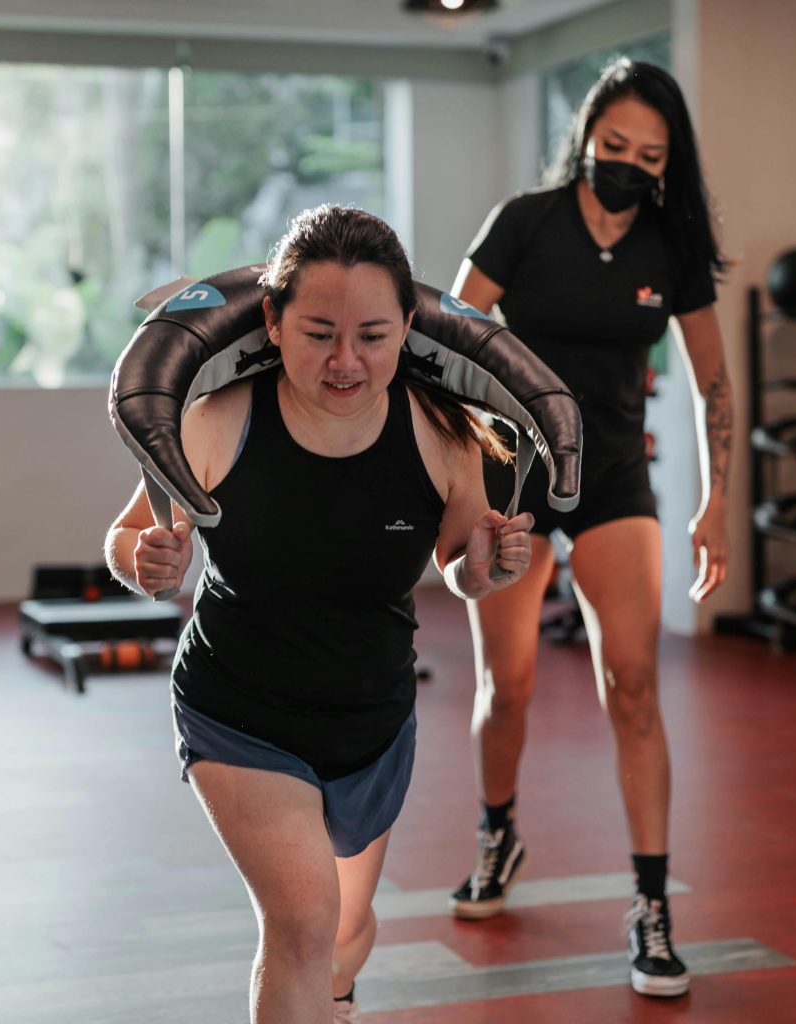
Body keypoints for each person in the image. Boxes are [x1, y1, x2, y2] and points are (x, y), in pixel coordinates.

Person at [105, 205, 534, 1024]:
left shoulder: (441, 435)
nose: (346, 360)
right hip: (240, 713)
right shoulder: (217, 420)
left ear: (408, 325)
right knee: (302, 924)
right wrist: (145, 561)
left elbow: (459, 565)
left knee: (343, 934)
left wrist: (484, 567)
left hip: (372, 724)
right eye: (318, 333)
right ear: (272, 319)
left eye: (373, 335)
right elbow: (130, 536)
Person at [447, 58, 732, 999]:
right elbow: (446, 343)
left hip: (612, 477)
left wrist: (716, 499)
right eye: (614, 145)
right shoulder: (523, 222)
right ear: (586, 138)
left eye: (649, 154)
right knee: (511, 684)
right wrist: (462, 479)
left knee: (636, 684)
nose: (628, 164)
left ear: (668, 162)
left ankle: (651, 905)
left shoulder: (670, 246)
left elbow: (711, 382)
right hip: (512, 482)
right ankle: (498, 836)